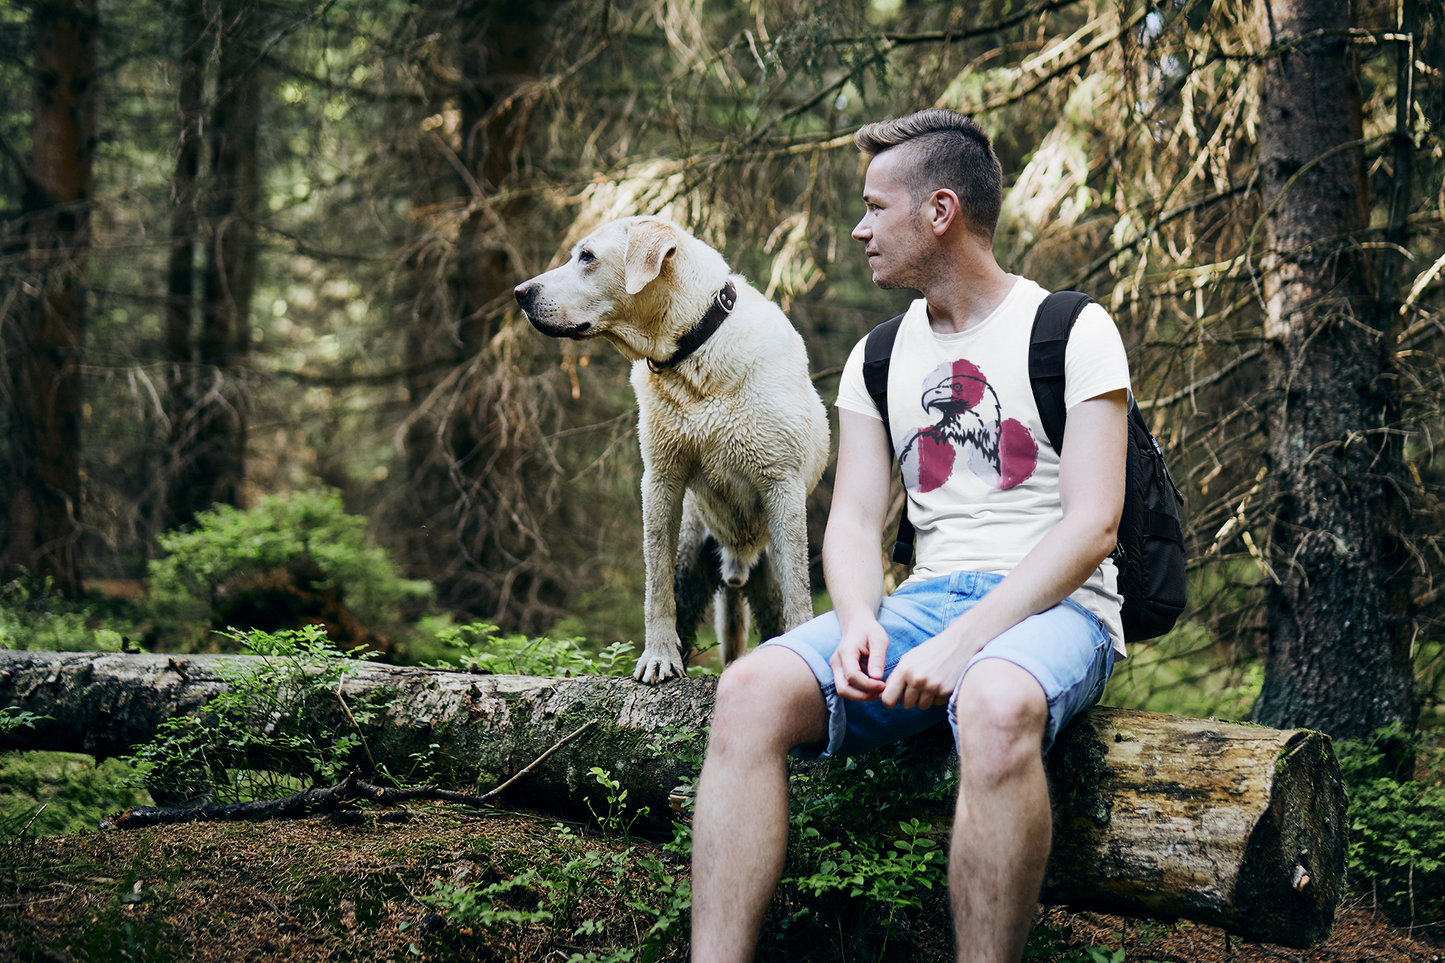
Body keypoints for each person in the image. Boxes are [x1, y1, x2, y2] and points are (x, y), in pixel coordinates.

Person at [689, 108, 1132, 963]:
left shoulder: (1072, 329)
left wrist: (968, 642)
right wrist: (858, 615)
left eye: (873, 207)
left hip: (1058, 607)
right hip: (924, 603)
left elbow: (1092, 526)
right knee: (745, 693)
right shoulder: (879, 356)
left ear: (938, 211)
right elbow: (854, 519)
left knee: (995, 700)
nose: (859, 229)